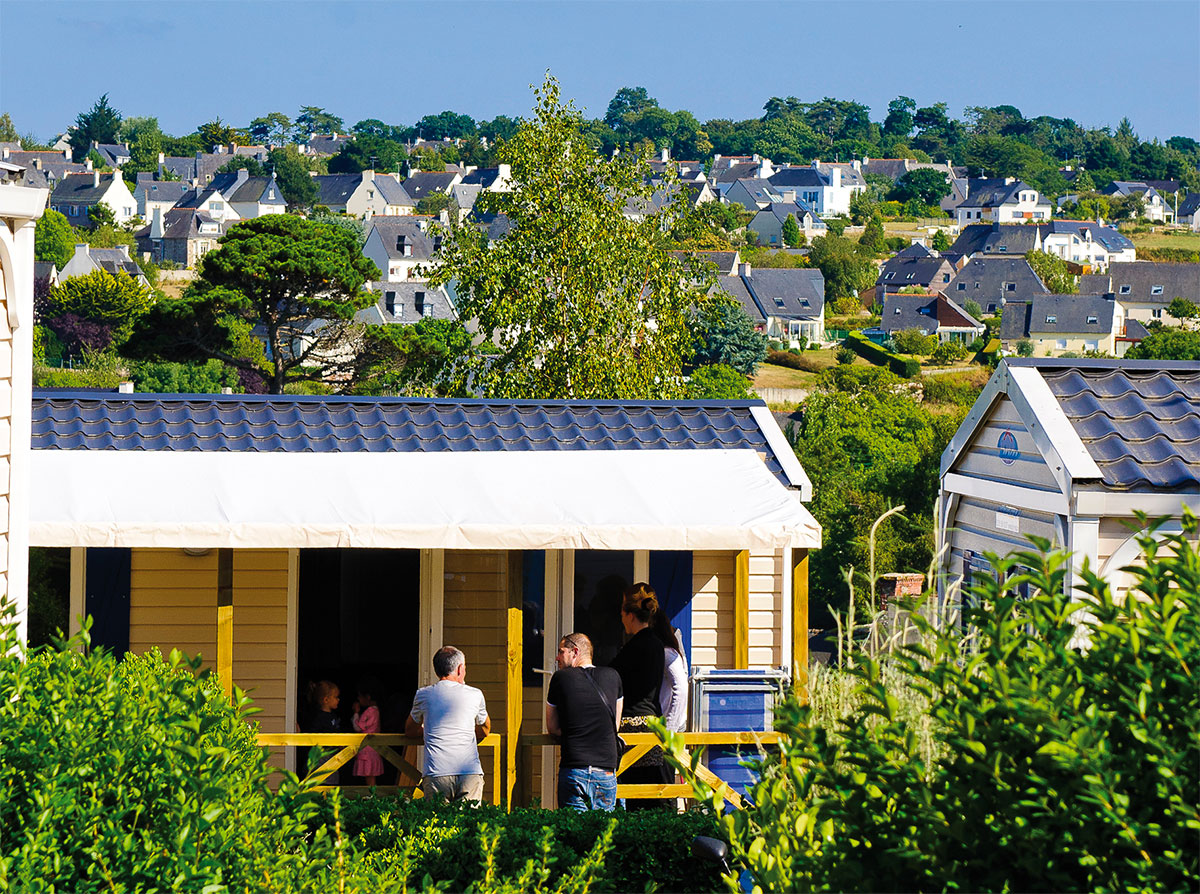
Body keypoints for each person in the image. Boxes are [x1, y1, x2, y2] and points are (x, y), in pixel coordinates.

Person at [546, 632, 623, 812]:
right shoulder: (614, 677)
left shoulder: (560, 678)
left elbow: (552, 727)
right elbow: (615, 726)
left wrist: (573, 733)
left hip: (574, 766)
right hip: (606, 769)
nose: (557, 657)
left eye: (561, 651)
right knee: (603, 833)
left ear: (575, 652)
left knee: (573, 833)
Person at [609, 583, 668, 809]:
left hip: (634, 724)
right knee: (652, 792)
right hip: (653, 722)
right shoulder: (656, 643)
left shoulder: (635, 646)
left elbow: (614, 676)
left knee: (636, 793)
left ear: (630, 615)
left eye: (622, 615)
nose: (621, 620)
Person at [406, 646, 491, 803]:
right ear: (460, 669)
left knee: (437, 825)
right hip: (469, 772)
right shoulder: (475, 694)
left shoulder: (423, 694)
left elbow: (410, 730)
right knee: (468, 824)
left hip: (436, 772)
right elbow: (485, 728)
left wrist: (426, 731)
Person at [652, 609, 688, 733]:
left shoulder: (667, 653)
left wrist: (669, 730)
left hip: (669, 726)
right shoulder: (669, 652)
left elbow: (681, 689)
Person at [305, 680, 342, 783]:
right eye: (336, 697)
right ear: (326, 700)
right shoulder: (319, 718)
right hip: (321, 755)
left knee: (333, 778)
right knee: (322, 780)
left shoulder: (333, 716)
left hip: (333, 755)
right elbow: (313, 735)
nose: (338, 700)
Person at [351, 678, 384, 787]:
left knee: (369, 776)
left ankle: (371, 798)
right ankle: (371, 798)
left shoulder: (370, 711)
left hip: (367, 749)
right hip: (373, 749)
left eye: (360, 696)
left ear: (367, 697)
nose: (358, 699)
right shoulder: (376, 710)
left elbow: (358, 727)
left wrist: (355, 713)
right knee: (370, 776)